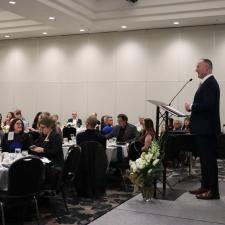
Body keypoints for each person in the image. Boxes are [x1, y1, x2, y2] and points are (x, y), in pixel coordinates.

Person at [185, 59, 220, 200]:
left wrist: (191, 107)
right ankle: (205, 186)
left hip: (207, 129)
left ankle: (213, 191)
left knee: (209, 161)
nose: (196, 69)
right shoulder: (206, 83)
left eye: (198, 66)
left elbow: (208, 105)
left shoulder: (210, 83)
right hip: (203, 129)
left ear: (207, 67)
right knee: (205, 160)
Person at [30, 116, 64, 188]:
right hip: (47, 162)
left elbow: (55, 152)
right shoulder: (44, 135)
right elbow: (38, 143)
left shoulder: (56, 136)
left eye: (43, 127)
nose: (41, 129)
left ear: (50, 127)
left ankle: (37, 189)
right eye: (40, 128)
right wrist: (33, 146)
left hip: (54, 164)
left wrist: (42, 150)